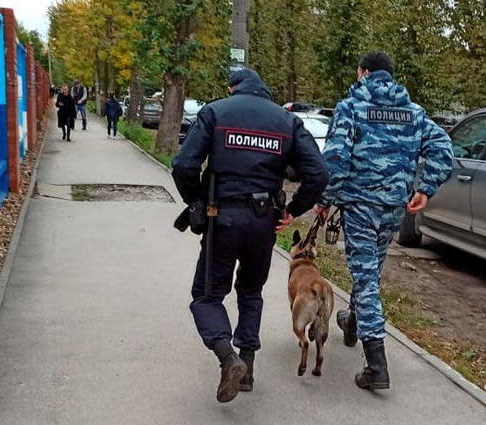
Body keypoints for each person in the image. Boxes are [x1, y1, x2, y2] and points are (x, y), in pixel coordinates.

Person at [172, 69, 328, 404]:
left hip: (222, 217)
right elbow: (318, 173)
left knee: (207, 295)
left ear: (233, 88)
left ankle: (229, 358)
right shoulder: (287, 121)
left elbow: (184, 165)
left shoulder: (215, 111)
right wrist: (293, 210)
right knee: (251, 291)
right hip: (264, 221)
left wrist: (196, 201)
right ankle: (249, 368)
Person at [314, 51, 453, 391]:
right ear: (390, 76)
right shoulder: (414, 113)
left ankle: (377, 365)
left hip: (360, 205)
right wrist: (427, 188)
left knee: (365, 279)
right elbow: (444, 148)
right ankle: (352, 324)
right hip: (394, 207)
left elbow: (335, 160)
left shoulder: (351, 108)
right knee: (370, 272)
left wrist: (324, 199)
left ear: (363, 72)